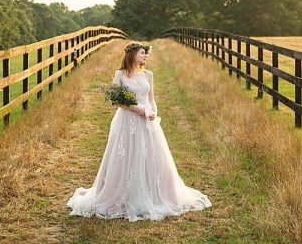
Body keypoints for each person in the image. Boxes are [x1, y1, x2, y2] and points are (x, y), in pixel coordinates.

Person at [67, 42, 211, 221]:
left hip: (147, 121)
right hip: (127, 120)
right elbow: (117, 100)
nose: (145, 56)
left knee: (150, 155)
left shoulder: (148, 75)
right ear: (133, 54)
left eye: (146, 54)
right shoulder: (119, 74)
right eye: (143, 53)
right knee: (126, 155)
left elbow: (151, 99)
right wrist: (136, 109)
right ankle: (123, 195)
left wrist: (153, 112)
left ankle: (152, 193)